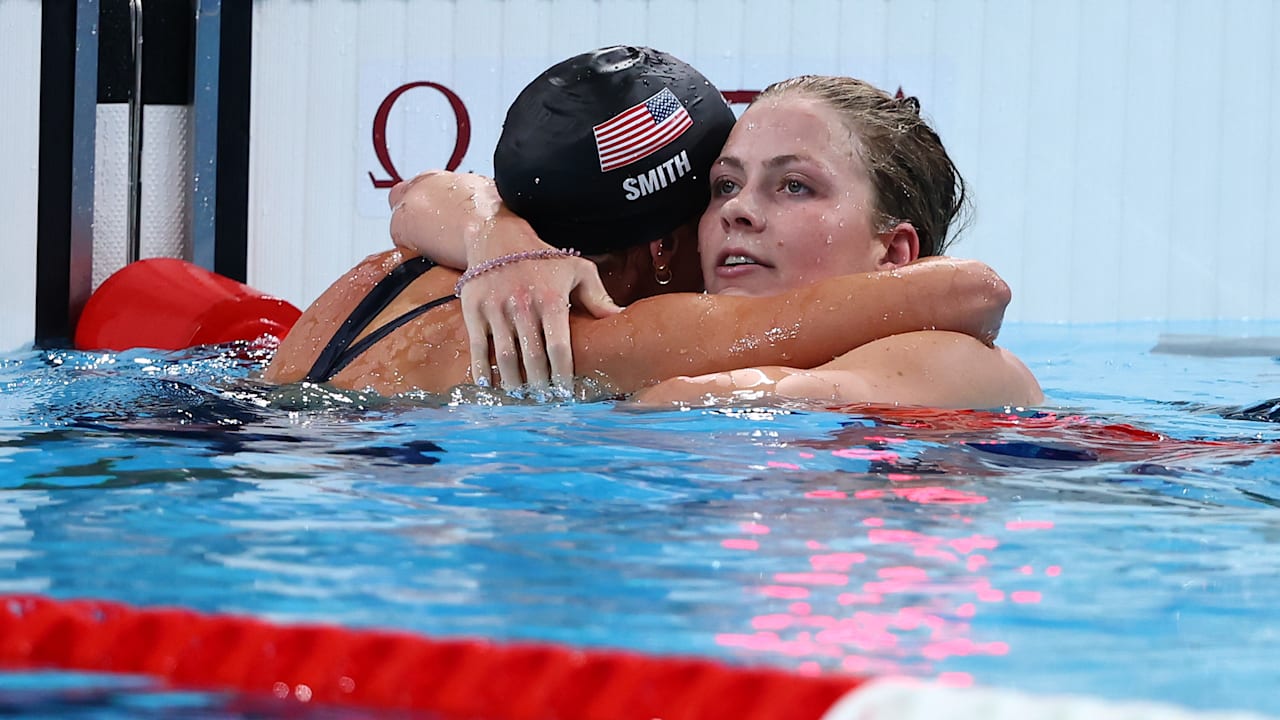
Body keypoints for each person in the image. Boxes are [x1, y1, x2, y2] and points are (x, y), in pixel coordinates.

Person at [264, 47, 1009, 399]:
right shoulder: (609, 334)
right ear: (660, 246)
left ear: (896, 248)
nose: (739, 211)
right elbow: (973, 290)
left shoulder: (404, 269)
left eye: (794, 186)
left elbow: (418, 194)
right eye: (722, 187)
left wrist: (495, 231)